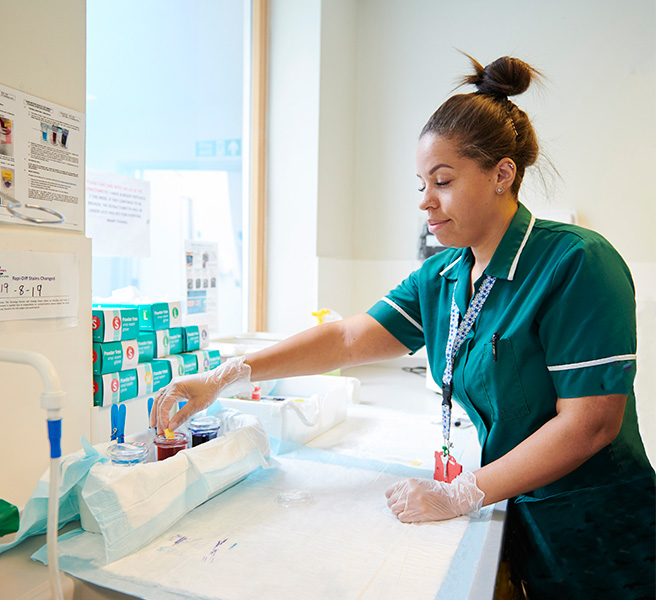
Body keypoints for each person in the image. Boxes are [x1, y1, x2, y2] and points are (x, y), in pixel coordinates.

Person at [151, 55, 655, 599]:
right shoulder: (444, 275)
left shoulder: (576, 263)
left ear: (502, 174)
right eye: (421, 182)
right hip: (515, 510)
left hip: (598, 529)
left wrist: (463, 493)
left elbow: (590, 425)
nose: (424, 201)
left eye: (442, 181)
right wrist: (225, 375)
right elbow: (347, 337)